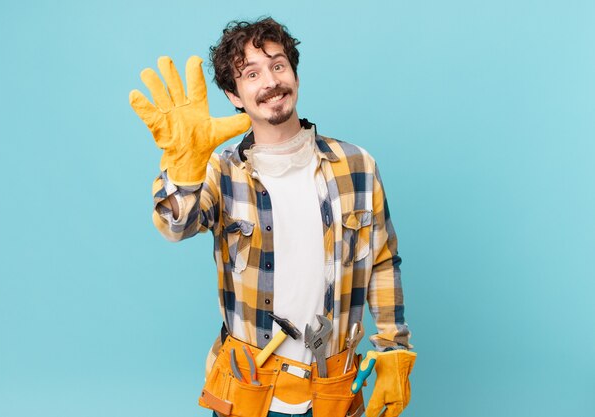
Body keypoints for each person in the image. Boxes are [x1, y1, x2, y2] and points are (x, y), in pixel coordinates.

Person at [130, 17, 416, 417]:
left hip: (334, 391)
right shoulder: (219, 171)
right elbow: (174, 226)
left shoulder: (357, 165)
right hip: (248, 391)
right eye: (251, 74)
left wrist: (393, 349)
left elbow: (383, 261)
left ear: (294, 75)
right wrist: (183, 168)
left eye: (278, 65)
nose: (270, 82)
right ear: (234, 94)